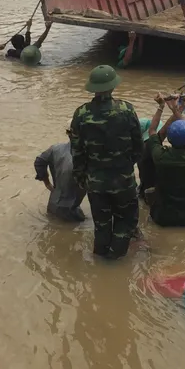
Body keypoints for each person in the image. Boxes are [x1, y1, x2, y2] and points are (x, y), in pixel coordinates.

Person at [70, 65, 144, 260]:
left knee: (101, 224)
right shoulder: (126, 110)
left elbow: (76, 152)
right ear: (113, 86)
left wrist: (81, 177)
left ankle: (100, 260)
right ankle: (113, 261)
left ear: (93, 88)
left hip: (95, 182)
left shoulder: (81, 114)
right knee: (126, 220)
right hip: (123, 180)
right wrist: (126, 165)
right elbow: (139, 146)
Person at [144, 97, 185, 228]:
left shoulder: (160, 156)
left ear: (170, 138)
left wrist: (161, 106)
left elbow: (152, 131)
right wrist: (176, 110)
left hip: (162, 216)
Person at [33, 131, 86, 222]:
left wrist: (47, 183)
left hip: (52, 205)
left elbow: (39, 161)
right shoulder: (86, 156)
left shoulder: (55, 148)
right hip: (71, 210)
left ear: (67, 133)